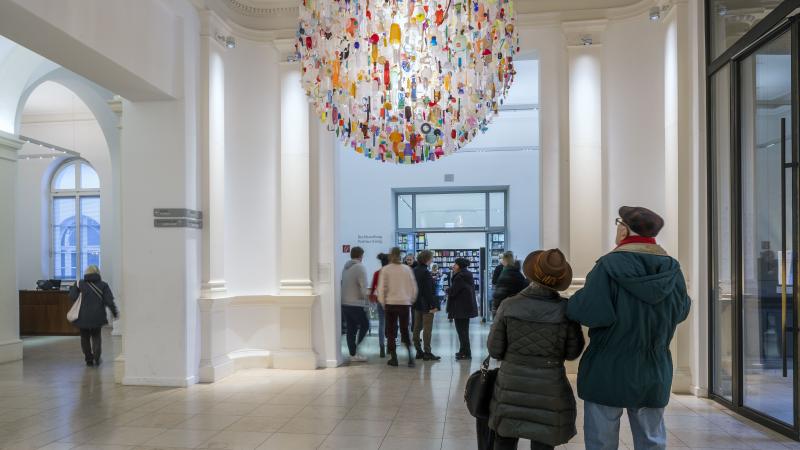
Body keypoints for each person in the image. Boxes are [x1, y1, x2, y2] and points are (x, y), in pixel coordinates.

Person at [567, 206, 691, 450]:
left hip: (608, 365)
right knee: (651, 439)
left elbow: (589, 312)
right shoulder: (672, 269)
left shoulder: (608, 266)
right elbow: (682, 310)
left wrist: (571, 303)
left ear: (624, 229)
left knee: (601, 439)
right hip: (653, 367)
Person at [485, 249, 585, 450]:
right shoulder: (566, 310)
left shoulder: (509, 305)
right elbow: (573, 352)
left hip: (511, 385)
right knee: (543, 440)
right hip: (549, 385)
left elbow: (495, 349)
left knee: (504, 438)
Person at [68, 265, 119, 367]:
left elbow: (72, 297)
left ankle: (89, 359)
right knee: (96, 337)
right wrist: (114, 312)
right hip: (97, 315)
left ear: (86, 272)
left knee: (84, 337)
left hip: (83, 316)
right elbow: (109, 300)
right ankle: (96, 357)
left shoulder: (80, 283)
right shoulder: (103, 285)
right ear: (98, 273)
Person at [378, 247, 419, 367]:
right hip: (404, 304)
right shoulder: (407, 269)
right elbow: (414, 287)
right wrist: (410, 300)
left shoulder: (385, 270)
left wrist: (383, 303)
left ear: (390, 255)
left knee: (391, 331)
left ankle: (394, 358)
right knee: (405, 330)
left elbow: (381, 289)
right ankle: (411, 357)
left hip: (390, 304)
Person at [341, 246, 370, 362]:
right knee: (365, 325)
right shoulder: (360, 267)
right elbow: (364, 287)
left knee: (351, 329)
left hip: (345, 303)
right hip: (356, 303)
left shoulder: (346, 267)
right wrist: (367, 302)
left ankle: (353, 354)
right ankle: (356, 347)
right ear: (361, 255)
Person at [447, 257, 478, 360]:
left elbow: (454, 291)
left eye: (455, 265)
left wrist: (447, 290)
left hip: (460, 308)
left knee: (462, 331)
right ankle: (463, 351)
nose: (453, 266)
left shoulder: (460, 276)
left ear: (459, 266)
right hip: (465, 307)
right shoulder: (467, 274)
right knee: (464, 330)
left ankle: (466, 352)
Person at [412, 250, 441, 361]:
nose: (432, 260)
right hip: (426, 305)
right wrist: (434, 305)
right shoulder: (426, 272)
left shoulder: (414, 270)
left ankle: (418, 350)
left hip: (416, 303)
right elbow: (429, 292)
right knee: (427, 329)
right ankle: (427, 352)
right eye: (431, 258)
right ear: (427, 259)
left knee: (416, 328)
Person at [370, 252, 389, 358]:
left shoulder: (377, 273)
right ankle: (391, 347)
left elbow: (373, 288)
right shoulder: (391, 273)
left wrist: (372, 298)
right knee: (391, 324)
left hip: (379, 300)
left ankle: (381, 347)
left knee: (382, 324)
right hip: (390, 301)